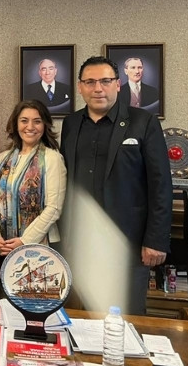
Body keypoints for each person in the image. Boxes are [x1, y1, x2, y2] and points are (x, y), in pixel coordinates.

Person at [59, 56, 172, 314]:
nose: (98, 88)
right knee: (82, 316)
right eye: (90, 82)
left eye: (105, 81)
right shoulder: (71, 123)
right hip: (82, 240)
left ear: (118, 84)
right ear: (80, 87)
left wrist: (156, 240)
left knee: (127, 318)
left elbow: (161, 184)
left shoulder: (143, 121)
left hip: (127, 242)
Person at [0, 100, 66, 257]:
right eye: (24, 121)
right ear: (16, 124)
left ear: (45, 125)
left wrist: (25, 241)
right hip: (5, 246)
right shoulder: (3, 158)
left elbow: (54, 208)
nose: (30, 127)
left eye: (37, 121)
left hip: (40, 247)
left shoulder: (52, 158)